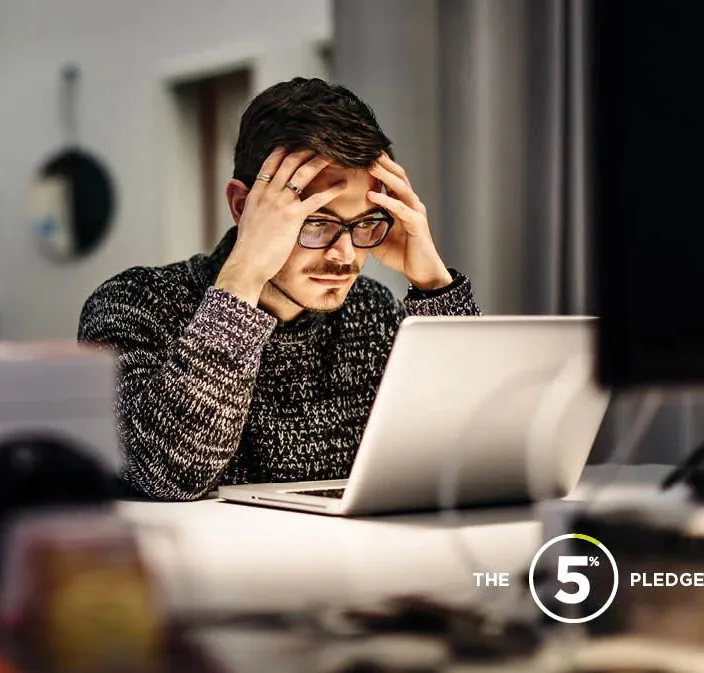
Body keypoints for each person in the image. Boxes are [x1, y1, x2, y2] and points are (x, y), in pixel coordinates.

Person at [77, 78, 480, 501]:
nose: (344, 254)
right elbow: (170, 477)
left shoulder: (372, 312)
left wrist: (435, 285)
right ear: (241, 206)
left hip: (353, 561)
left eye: (363, 223)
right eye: (316, 221)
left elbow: (473, 451)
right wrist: (244, 276)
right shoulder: (133, 304)